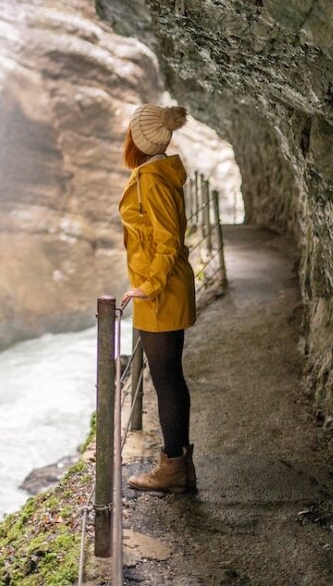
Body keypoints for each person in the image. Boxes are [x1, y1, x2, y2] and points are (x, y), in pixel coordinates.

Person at [118, 103, 197, 493]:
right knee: (169, 377)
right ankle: (179, 466)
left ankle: (172, 469)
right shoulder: (158, 171)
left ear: (138, 138)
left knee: (166, 380)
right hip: (164, 288)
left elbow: (168, 241)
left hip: (161, 293)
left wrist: (149, 285)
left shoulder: (151, 179)